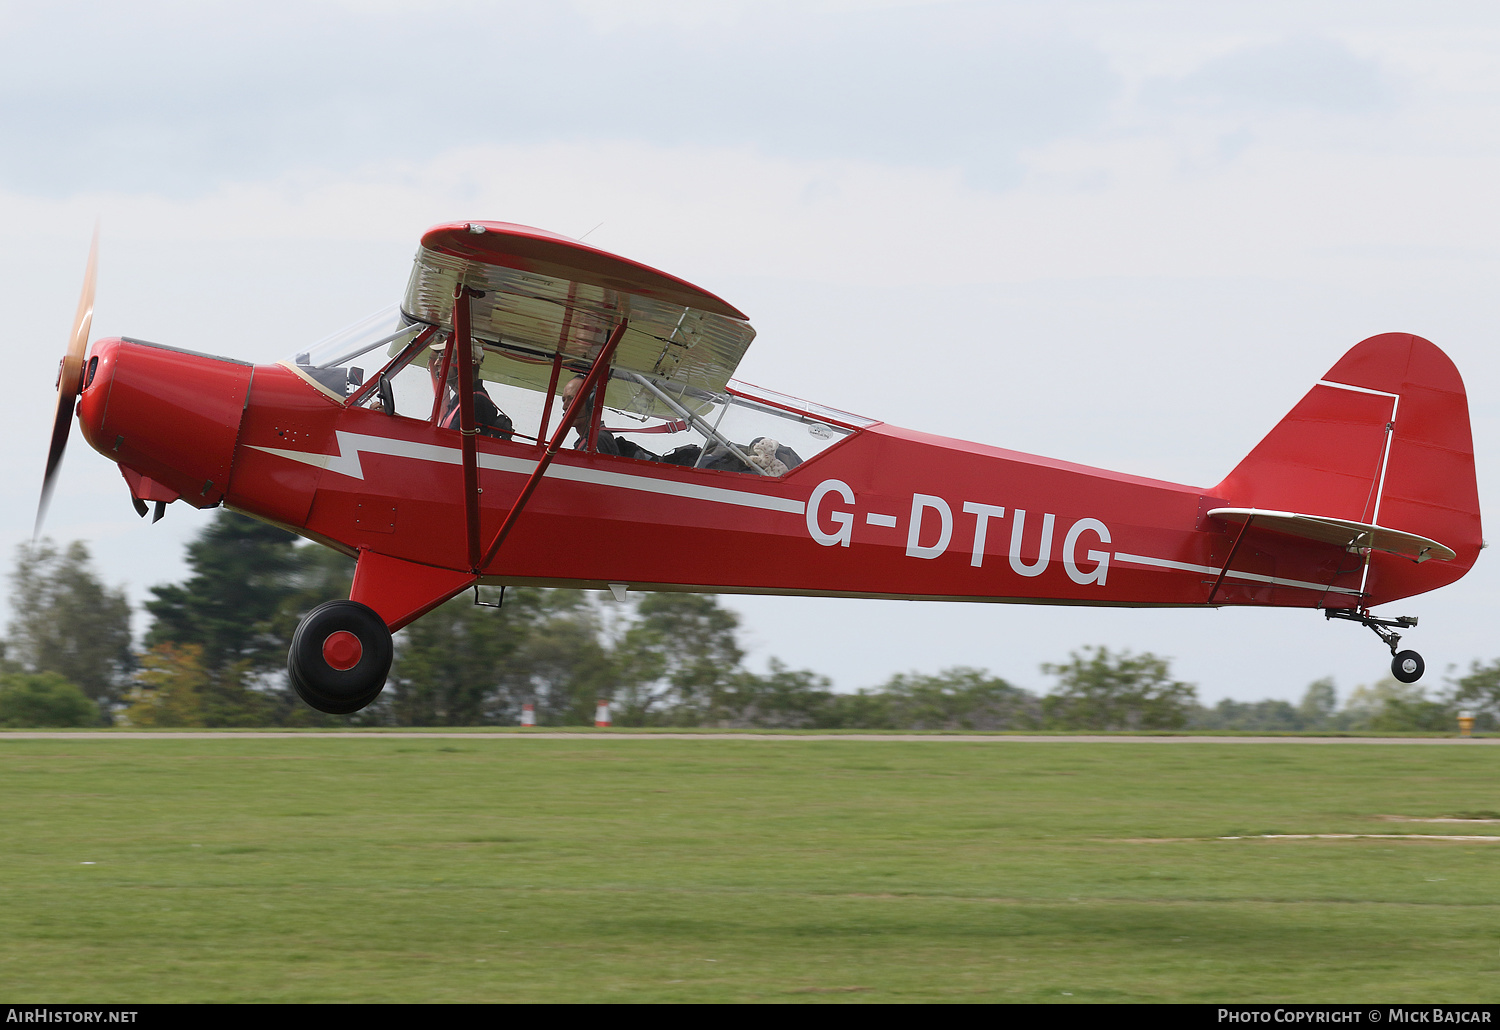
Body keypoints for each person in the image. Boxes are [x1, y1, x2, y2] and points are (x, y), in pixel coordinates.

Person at [559, 375, 655, 460]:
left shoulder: (598, 439)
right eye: (564, 400)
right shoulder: (584, 441)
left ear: (591, 402)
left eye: (571, 399)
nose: (565, 406)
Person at [439, 341, 513, 440]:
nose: (436, 363)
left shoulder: (474, 402)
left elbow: (450, 442)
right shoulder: (464, 398)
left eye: (443, 357)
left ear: (460, 363)